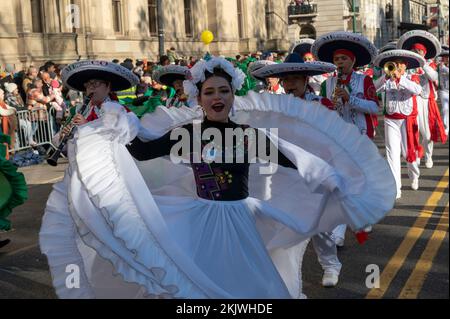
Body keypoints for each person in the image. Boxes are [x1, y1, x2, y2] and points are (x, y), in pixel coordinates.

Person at [39, 56, 396, 299]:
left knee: (253, 288)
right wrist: (114, 120)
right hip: (200, 218)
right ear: (199, 97)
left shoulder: (247, 135)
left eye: (223, 90)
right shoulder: (188, 134)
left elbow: (293, 159)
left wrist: (332, 178)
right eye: (209, 91)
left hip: (239, 217)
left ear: (232, 95)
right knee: (196, 286)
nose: (217, 96)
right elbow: (141, 152)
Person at [252, 53, 345, 289]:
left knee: (319, 226)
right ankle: (287, 277)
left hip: (315, 174)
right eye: (286, 80)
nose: (290, 84)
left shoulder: (321, 105)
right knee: (284, 226)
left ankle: (331, 265)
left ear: (306, 80)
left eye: (295, 79)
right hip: (285, 175)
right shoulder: (275, 108)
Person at [312, 31, 380, 250]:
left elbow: (374, 107)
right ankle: (339, 232)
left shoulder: (365, 80)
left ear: (352, 61)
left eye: (344, 59)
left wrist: (350, 99)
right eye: (336, 60)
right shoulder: (327, 84)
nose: (339, 63)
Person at [374, 50, 425, 199]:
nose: (395, 67)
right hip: (390, 119)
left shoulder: (411, 77)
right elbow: (372, 89)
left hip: (407, 120)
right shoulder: (386, 79)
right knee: (392, 154)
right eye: (394, 64)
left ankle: (414, 175)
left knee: (408, 152)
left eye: (399, 65)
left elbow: (418, 90)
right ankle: (396, 187)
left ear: (405, 67)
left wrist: (400, 79)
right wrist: (385, 78)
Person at [397, 30, 447, 169]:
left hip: (425, 100)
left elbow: (434, 77)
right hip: (411, 101)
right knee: (413, 131)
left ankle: (428, 155)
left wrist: (422, 63)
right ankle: (416, 157)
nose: (417, 53)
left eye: (419, 51)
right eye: (414, 51)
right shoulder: (406, 65)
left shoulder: (429, 64)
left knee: (427, 134)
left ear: (424, 53)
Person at [437, 50, 449, 135]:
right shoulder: (439, 66)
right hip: (443, 91)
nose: (447, 58)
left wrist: (444, 68)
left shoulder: (443, 67)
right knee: (445, 108)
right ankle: (446, 127)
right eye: (445, 57)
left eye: (448, 57)